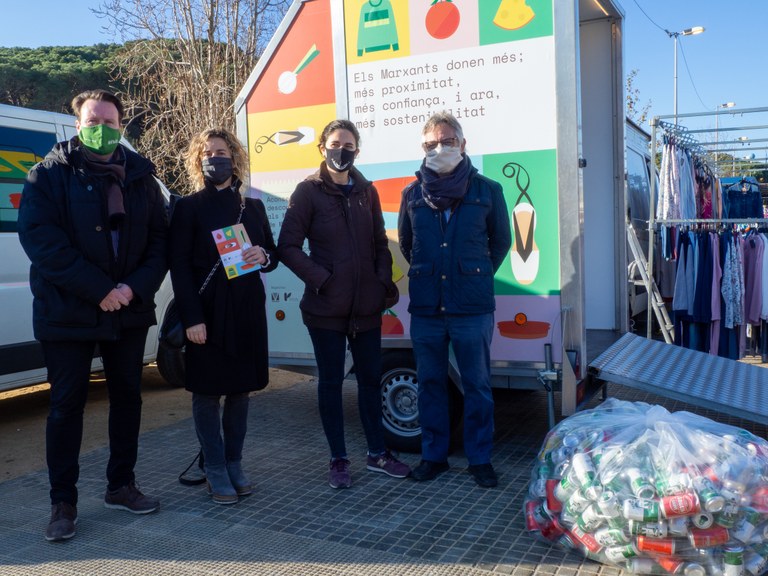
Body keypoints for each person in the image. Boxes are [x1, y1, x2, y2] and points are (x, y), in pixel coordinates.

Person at [17, 89, 168, 542]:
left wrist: (131, 288)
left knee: (128, 399)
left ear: (122, 125)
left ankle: (121, 485)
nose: (101, 128)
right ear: (78, 124)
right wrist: (100, 289)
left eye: (109, 120)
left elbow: (159, 242)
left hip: (129, 308)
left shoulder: (141, 175)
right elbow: (42, 242)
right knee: (66, 407)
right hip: (68, 311)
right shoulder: (46, 175)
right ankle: (63, 502)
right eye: (92, 120)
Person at [277, 119, 410, 489]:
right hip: (325, 310)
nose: (342, 150)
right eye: (335, 144)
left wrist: (382, 279)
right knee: (331, 383)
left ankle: (378, 454)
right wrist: (323, 279)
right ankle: (338, 459)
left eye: (349, 145)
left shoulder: (366, 191)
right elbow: (287, 246)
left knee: (370, 382)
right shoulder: (308, 192)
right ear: (322, 147)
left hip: (366, 308)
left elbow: (379, 242)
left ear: (357, 150)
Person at [398, 111, 512, 488]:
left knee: (477, 385)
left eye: (447, 141)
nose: (440, 148)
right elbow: (407, 243)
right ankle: (434, 457)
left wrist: (473, 276)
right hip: (428, 308)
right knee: (430, 384)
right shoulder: (412, 194)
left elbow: (500, 243)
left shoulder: (487, 190)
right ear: (423, 148)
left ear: (463, 145)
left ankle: (479, 459)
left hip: (471, 308)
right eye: (431, 144)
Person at [168, 128, 278, 505]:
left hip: (247, 310)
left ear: (235, 157)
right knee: (206, 392)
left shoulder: (254, 208)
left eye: (223, 151)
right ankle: (213, 466)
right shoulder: (187, 207)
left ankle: (234, 462)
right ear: (199, 160)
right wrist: (192, 317)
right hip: (208, 313)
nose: (216, 157)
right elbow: (179, 268)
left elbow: (272, 255)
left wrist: (262, 256)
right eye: (209, 152)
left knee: (240, 390)